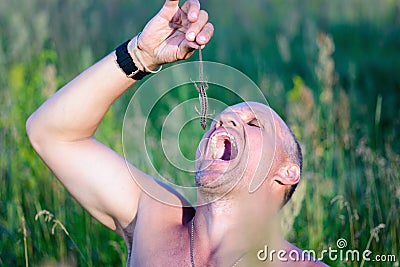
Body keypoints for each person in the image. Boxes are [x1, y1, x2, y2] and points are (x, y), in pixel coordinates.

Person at [26, 0, 328, 266]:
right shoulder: (154, 218)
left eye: (253, 123)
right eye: (221, 119)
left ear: (288, 172)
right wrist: (141, 55)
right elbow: (51, 133)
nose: (224, 122)